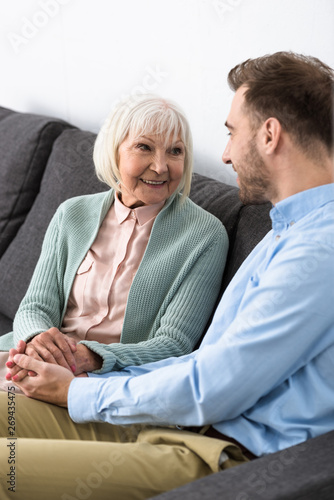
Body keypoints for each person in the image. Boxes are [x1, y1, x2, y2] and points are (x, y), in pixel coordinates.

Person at [1, 51, 334, 500]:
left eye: (232, 132)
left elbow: (214, 386)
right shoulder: (285, 230)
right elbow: (203, 365)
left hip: (217, 450)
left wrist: (81, 391)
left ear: (270, 135)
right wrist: (82, 383)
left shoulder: (317, 250)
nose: (225, 153)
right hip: (165, 419)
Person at [0, 95, 228, 388]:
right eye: (144, 147)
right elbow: (35, 306)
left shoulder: (204, 236)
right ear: (114, 151)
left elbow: (174, 345)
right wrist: (37, 341)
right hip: (35, 360)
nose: (161, 166)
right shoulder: (72, 214)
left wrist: (89, 357)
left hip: (108, 383)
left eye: (175, 151)